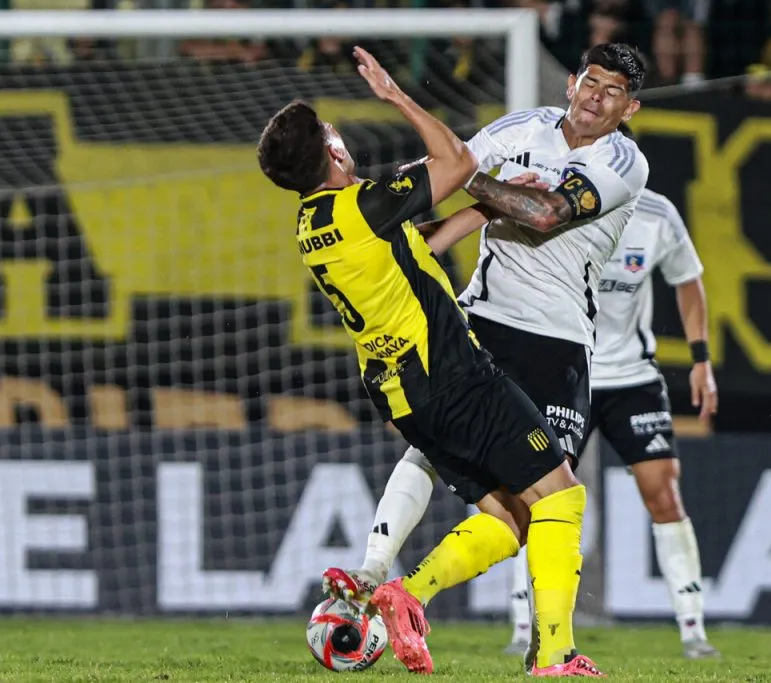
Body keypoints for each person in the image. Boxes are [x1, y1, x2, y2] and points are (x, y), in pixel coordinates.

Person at [257, 47, 601, 677]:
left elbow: (423, 246)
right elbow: (460, 161)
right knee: (562, 497)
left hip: (402, 398)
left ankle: (404, 594)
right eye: (333, 132)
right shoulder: (361, 204)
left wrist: (492, 207)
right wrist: (395, 95)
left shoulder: (317, 222)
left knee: (511, 517)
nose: (341, 135)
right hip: (453, 376)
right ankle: (555, 656)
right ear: (332, 153)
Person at [506, 127, 721, 661]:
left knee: (662, 491)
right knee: (534, 499)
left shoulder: (657, 215)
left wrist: (701, 360)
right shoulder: (551, 203)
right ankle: (522, 625)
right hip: (563, 369)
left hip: (630, 376)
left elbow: (689, 280)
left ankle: (693, 629)